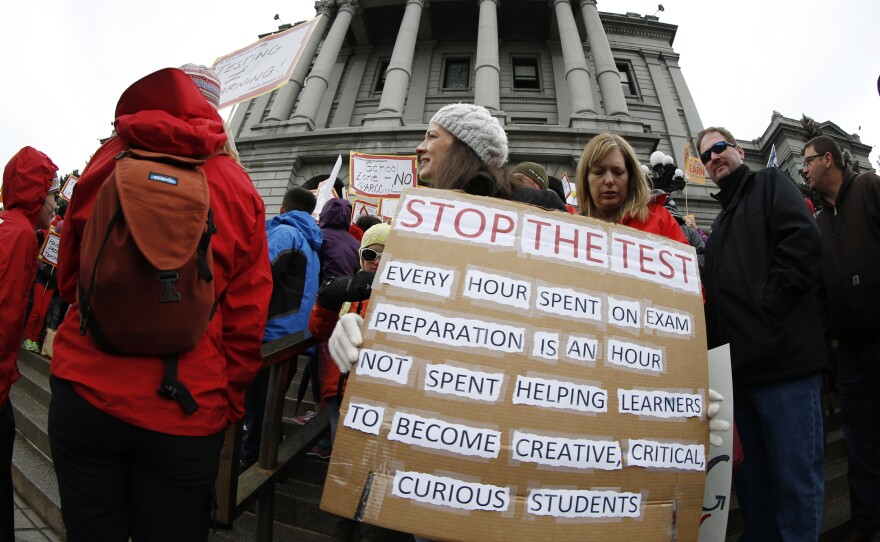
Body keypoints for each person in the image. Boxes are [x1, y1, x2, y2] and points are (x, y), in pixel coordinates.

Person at [47, 66, 272, 541]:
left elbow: (69, 281)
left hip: (87, 388)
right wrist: (227, 406)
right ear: (214, 110)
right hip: (186, 409)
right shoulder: (239, 185)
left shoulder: (108, 158)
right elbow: (247, 320)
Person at [698, 126, 828, 541]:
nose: (713, 158)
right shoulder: (717, 229)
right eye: (704, 156)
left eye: (719, 148)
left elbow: (803, 242)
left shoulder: (771, 184)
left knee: (795, 486)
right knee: (756, 497)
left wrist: (768, 309)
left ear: (738, 151)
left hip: (785, 369)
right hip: (740, 385)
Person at [803, 134, 880, 541]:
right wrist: (832, 339)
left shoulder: (869, 188)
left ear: (828, 159)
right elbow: (818, 290)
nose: (803, 169)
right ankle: (867, 525)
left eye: (808, 161)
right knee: (861, 446)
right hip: (850, 355)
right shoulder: (816, 223)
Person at [240, 186, 322, 471]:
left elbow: (258, 274)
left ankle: (251, 457)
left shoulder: (286, 233)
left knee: (259, 403)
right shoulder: (310, 241)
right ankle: (262, 456)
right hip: (292, 334)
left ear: (282, 208)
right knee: (268, 403)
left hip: (272, 333)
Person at [0, 146, 57, 542]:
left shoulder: (12, 226)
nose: (55, 203)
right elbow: (5, 314)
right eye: (51, 194)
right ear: (35, 192)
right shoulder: (19, 235)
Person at [575, 133, 688, 244]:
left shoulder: (661, 220)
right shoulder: (570, 226)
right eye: (599, 172)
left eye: (618, 172)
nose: (609, 180)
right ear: (585, 179)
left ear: (631, 177)